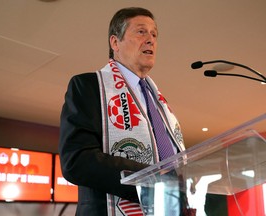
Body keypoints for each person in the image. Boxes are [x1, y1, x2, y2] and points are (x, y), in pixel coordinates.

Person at [59, 7, 185, 216]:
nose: (150, 39)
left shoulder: (159, 102)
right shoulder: (89, 86)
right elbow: (76, 160)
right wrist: (155, 182)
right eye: (141, 32)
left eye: (154, 34)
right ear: (115, 43)